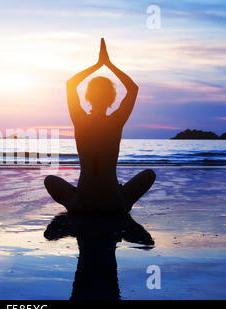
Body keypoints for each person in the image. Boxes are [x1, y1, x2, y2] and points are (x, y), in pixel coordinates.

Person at [44, 38, 156, 215]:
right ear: (112, 98)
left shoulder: (79, 119)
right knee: (149, 174)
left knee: (50, 179)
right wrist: (108, 64)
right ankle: (120, 198)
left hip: (82, 204)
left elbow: (70, 84)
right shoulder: (116, 120)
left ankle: (74, 200)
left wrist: (97, 65)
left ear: (87, 97)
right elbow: (132, 88)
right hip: (114, 204)